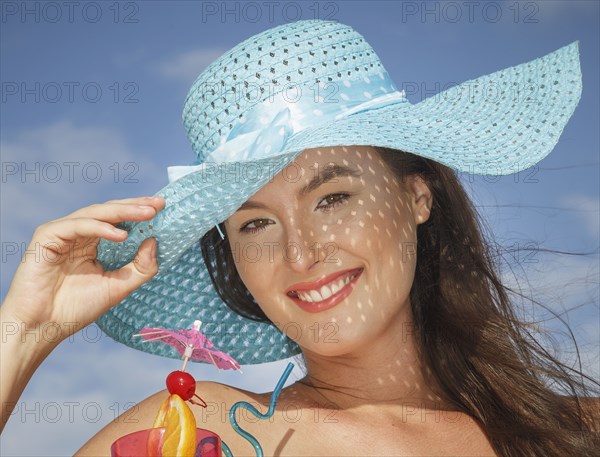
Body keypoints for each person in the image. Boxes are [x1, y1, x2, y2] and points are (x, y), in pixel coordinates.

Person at [1, 19, 598, 457]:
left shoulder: (579, 433)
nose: (301, 254)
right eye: (256, 222)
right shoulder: (192, 429)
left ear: (418, 195)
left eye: (333, 198)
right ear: (231, 257)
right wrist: (24, 333)